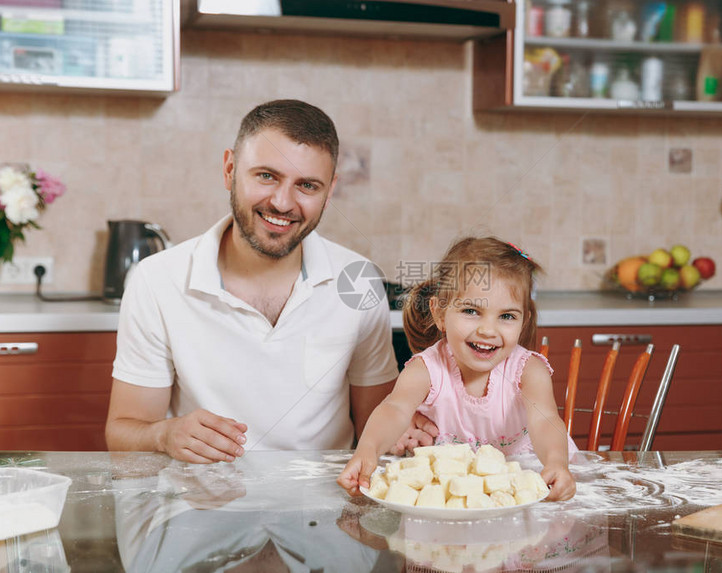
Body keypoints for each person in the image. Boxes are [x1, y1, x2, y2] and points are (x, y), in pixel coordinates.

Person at [105, 99, 404, 464]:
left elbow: (382, 429)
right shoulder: (155, 280)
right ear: (230, 169)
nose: (282, 202)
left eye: (307, 185)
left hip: (322, 510)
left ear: (329, 191)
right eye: (266, 176)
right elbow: (122, 432)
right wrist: (163, 435)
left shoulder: (359, 282)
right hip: (201, 509)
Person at [338, 237, 578, 502]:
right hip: (465, 494)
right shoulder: (426, 370)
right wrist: (367, 451)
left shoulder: (528, 371)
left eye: (507, 316)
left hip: (530, 483)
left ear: (524, 321)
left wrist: (556, 463)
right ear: (440, 314)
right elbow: (393, 410)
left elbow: (545, 420)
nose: (488, 330)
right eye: (471, 311)